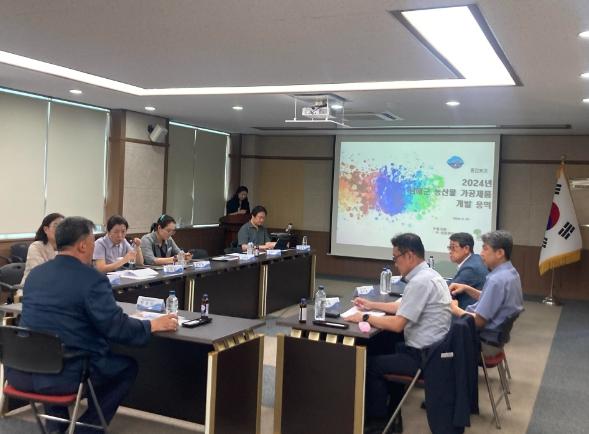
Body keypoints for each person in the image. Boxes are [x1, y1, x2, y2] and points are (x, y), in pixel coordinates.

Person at [6, 217, 178, 434]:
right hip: (66, 375)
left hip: (21, 371)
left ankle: (56, 428)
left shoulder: (36, 276)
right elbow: (116, 327)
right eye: (92, 241)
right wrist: (151, 325)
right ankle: (86, 430)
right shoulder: (92, 279)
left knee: (52, 350)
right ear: (83, 245)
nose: (94, 246)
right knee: (126, 368)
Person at [345, 233, 452, 433]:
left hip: (424, 357)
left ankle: (379, 423)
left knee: (371, 365)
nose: (395, 264)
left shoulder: (420, 282)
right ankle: (393, 413)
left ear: (409, 255)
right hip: (435, 353)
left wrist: (364, 317)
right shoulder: (430, 275)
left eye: (396, 258)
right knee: (386, 345)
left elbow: (397, 324)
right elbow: (401, 306)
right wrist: (370, 305)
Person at [449, 230, 524, 355]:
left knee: (435, 342)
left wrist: (454, 308)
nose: (481, 253)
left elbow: (478, 322)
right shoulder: (511, 273)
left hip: (482, 342)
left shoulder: (496, 280)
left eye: (485, 249)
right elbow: (491, 298)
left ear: (500, 253)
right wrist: (467, 288)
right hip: (496, 339)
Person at [20, 212, 64, 285]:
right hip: (34, 287)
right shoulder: (36, 247)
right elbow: (40, 274)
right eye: (56, 225)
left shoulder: (67, 248)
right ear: (46, 229)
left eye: (63, 227)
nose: (60, 230)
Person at [447, 232, 488, 309]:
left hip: (468, 313)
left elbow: (450, 289)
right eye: (449, 248)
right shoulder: (475, 258)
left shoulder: (470, 268)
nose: (450, 252)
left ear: (466, 249)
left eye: (453, 248)